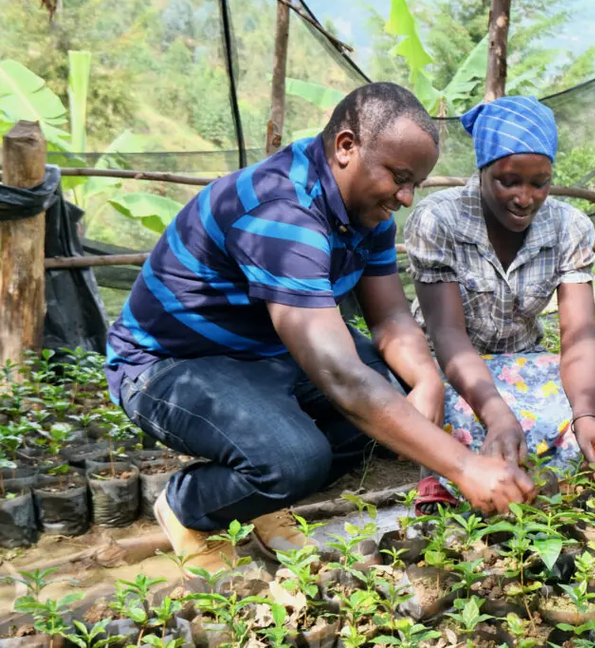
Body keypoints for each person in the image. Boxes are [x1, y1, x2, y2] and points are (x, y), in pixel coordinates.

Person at [104, 83, 537, 572]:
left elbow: (391, 317)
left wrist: (427, 378)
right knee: (295, 459)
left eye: (415, 182)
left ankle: (261, 501)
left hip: (265, 353)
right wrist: (464, 467)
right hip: (170, 365)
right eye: (399, 177)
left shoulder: (366, 214)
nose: (407, 196)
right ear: (346, 146)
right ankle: (189, 506)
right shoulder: (280, 211)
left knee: (393, 391)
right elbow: (339, 376)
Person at [403, 95, 595, 513]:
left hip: (523, 363)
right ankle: (470, 475)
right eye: (508, 181)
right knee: (454, 415)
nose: (525, 197)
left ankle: (548, 466)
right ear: (482, 171)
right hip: (448, 367)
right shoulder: (438, 220)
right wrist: (496, 415)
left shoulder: (569, 227)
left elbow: (579, 337)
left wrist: (586, 415)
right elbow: (448, 336)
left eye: (540, 183)